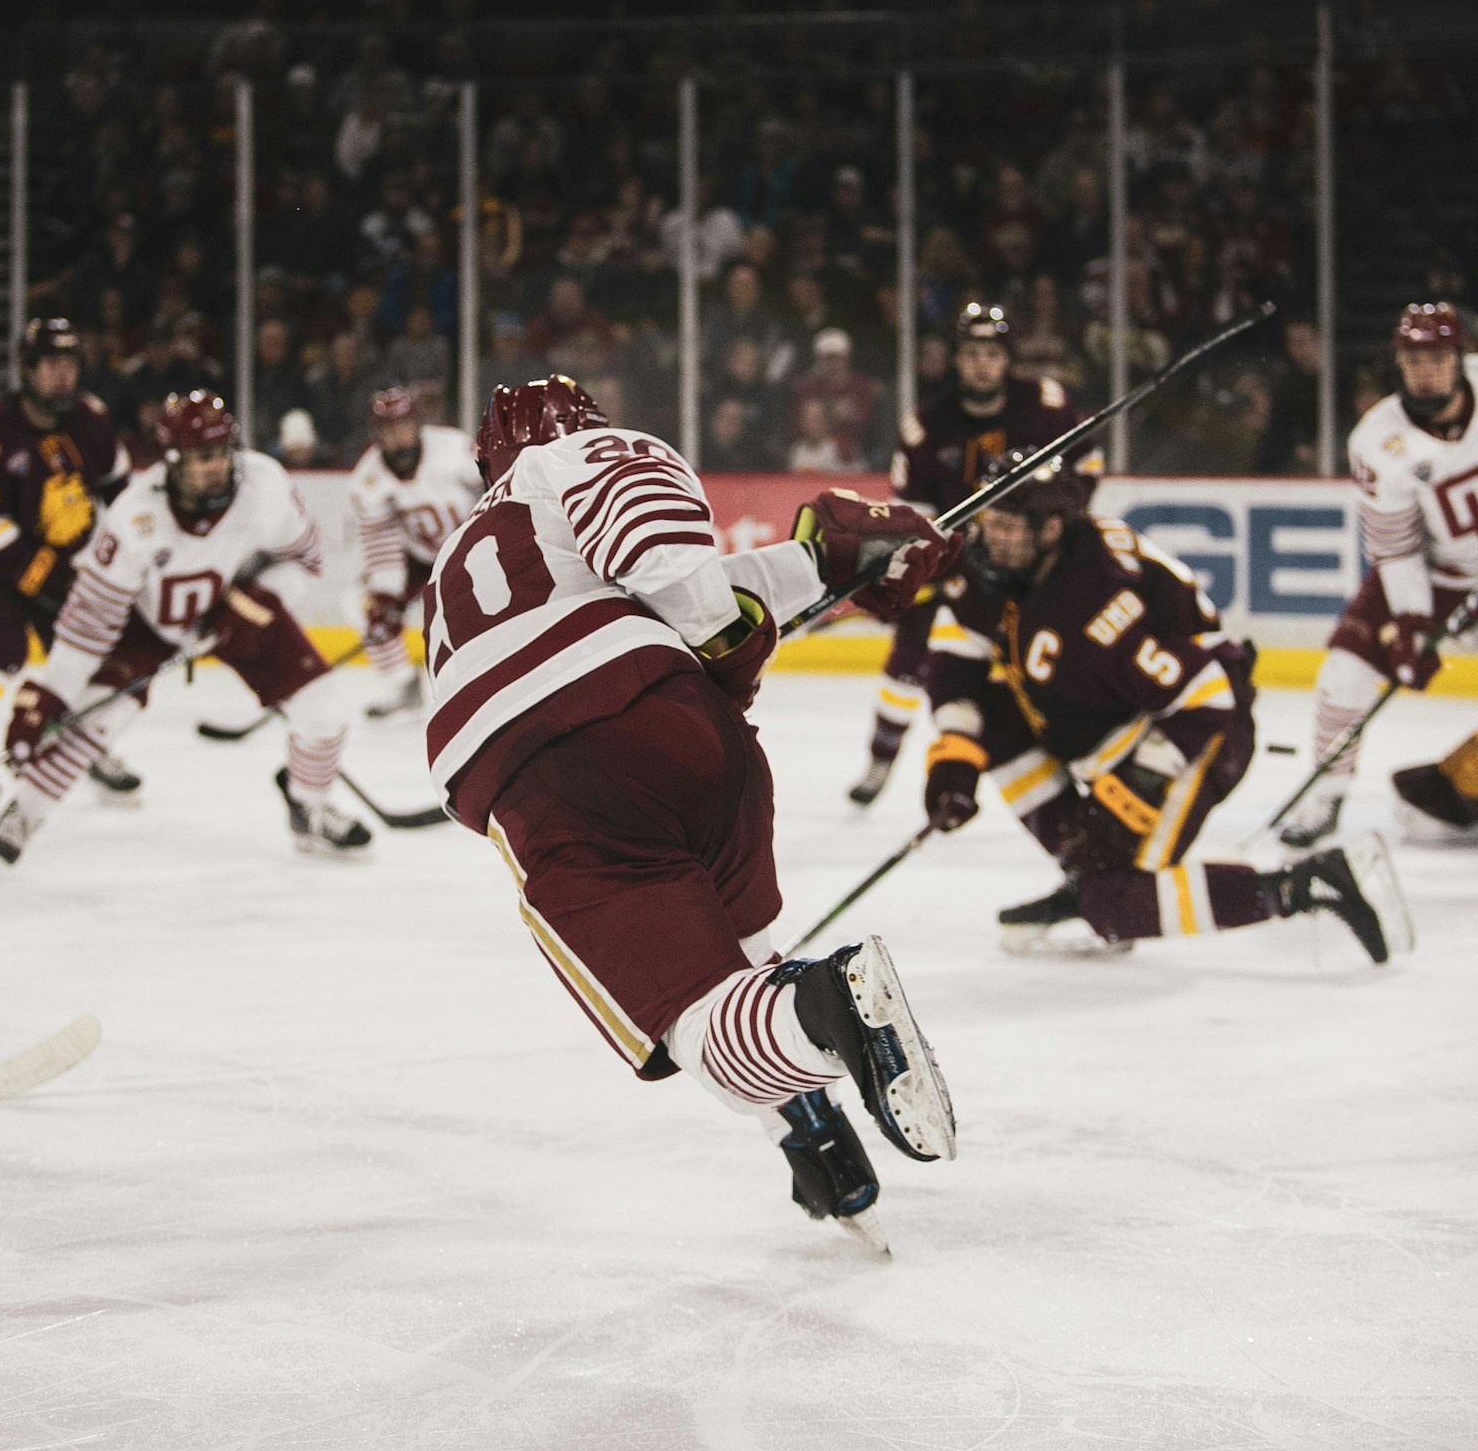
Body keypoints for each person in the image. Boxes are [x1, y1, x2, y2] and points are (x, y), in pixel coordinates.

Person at [421, 375, 960, 1246]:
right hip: (697, 745)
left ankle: (831, 1006)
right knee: (746, 980)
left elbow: (684, 593)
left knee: (693, 1027)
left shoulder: (468, 546)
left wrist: (755, 617)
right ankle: (814, 1138)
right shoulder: (593, 462)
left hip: (552, 784)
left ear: (489, 456)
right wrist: (826, 567)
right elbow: (683, 583)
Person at [919, 456, 1410, 965]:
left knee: (1117, 906)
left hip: (1200, 731)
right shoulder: (1003, 567)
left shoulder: (1095, 604)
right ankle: (1089, 871)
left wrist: (1129, 799)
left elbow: (1203, 697)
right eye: (986, 522)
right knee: (994, 719)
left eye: (1004, 525)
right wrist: (954, 756)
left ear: (1050, 530)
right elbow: (958, 660)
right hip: (1121, 719)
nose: (987, 537)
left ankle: (1306, 885)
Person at [0, 391, 370, 871]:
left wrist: (260, 601)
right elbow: (87, 631)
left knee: (325, 709)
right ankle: (24, 812)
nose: (217, 467)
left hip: (233, 609)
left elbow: (306, 559)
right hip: (146, 626)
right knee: (98, 718)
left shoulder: (264, 486)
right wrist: (51, 696)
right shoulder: (133, 520)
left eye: (222, 452)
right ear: (172, 460)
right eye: (202, 456)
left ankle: (309, 808)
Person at [849, 301, 1082, 808]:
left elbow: (1085, 471)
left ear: (1008, 359)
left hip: (1030, 565)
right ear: (956, 359)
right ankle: (881, 757)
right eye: (973, 352)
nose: (982, 363)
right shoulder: (929, 426)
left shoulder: (1045, 407)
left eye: (992, 353)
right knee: (909, 660)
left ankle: (1077, 750)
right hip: (954, 568)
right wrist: (922, 565)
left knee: (1062, 652)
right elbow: (912, 513)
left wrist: (1045, 536)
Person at [1280, 303, 1478, 849]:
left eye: (1437, 358)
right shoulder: (1378, 439)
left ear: (1460, 358)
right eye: (1413, 360)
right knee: (1344, 670)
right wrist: (1413, 622)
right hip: (1435, 574)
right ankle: (1326, 796)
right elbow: (1395, 548)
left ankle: (1463, 786)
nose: (1426, 371)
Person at [0, 319, 136, 808]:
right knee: (3, 651)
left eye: (70, 365)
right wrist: (48, 579)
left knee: (80, 652)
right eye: (51, 365)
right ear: (26, 370)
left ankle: (87, 749)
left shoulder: (92, 420)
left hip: (53, 558)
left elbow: (121, 492)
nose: (62, 376)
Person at [349, 386, 481, 719]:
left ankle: (484, 682)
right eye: (388, 429)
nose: (397, 436)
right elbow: (381, 542)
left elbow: (496, 484)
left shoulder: (454, 449)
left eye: (403, 425)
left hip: (472, 552)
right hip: (420, 561)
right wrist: (386, 596)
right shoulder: (368, 479)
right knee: (360, 603)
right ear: (377, 433)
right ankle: (403, 685)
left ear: (417, 423)